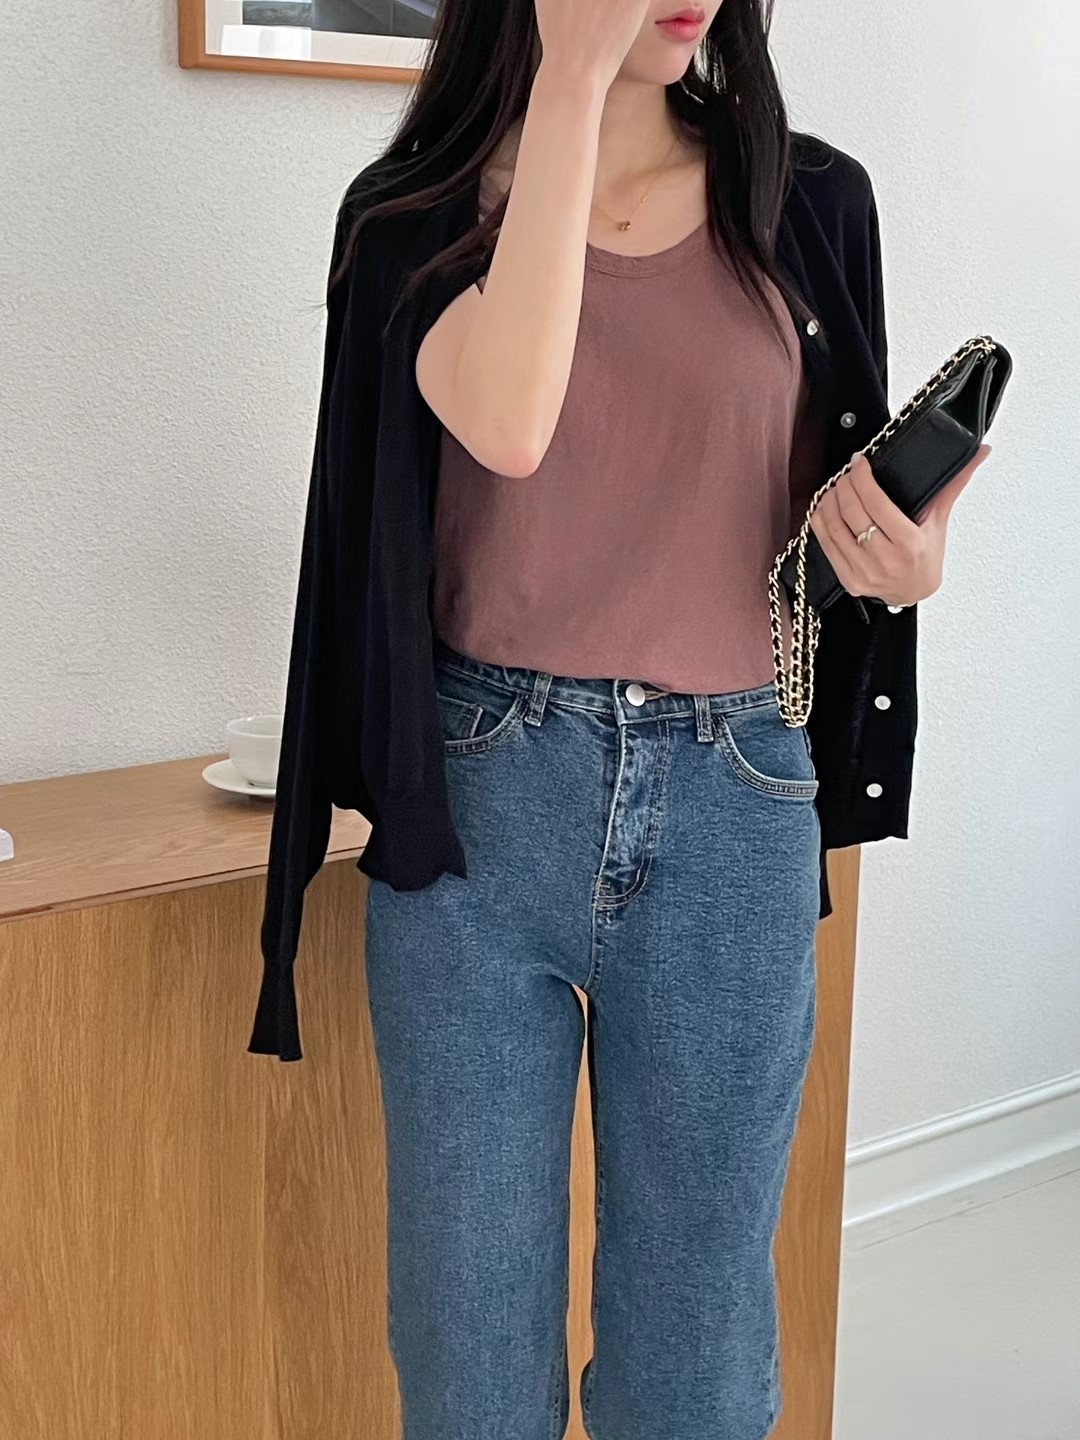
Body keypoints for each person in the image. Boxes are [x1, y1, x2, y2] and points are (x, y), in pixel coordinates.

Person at [248, 1, 991, 1435]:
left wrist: (904, 561)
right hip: (477, 806)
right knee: (466, 1350)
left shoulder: (809, 200)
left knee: (696, 1362)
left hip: (733, 800)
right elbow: (509, 423)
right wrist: (574, 85)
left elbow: (820, 519)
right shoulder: (413, 218)